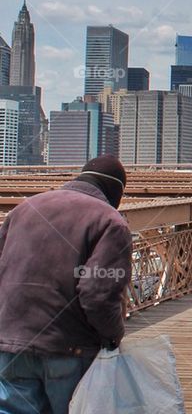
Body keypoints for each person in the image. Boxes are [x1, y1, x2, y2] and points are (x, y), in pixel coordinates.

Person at [0, 155, 132, 414]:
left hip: (10, 344)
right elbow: (97, 294)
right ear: (115, 191)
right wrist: (113, 337)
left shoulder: (24, 209)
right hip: (69, 347)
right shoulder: (111, 222)